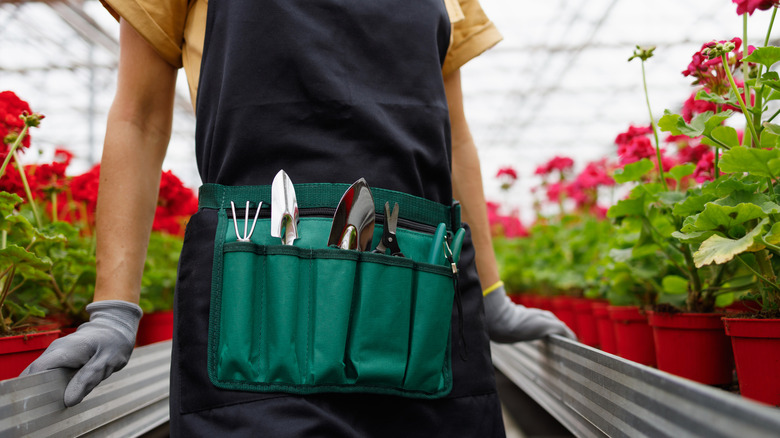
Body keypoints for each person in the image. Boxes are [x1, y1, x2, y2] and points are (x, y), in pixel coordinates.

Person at [24, 0, 573, 435]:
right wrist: (114, 309)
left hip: (422, 306)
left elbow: (455, 137)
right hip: (256, 310)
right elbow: (139, 117)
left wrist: (492, 296)